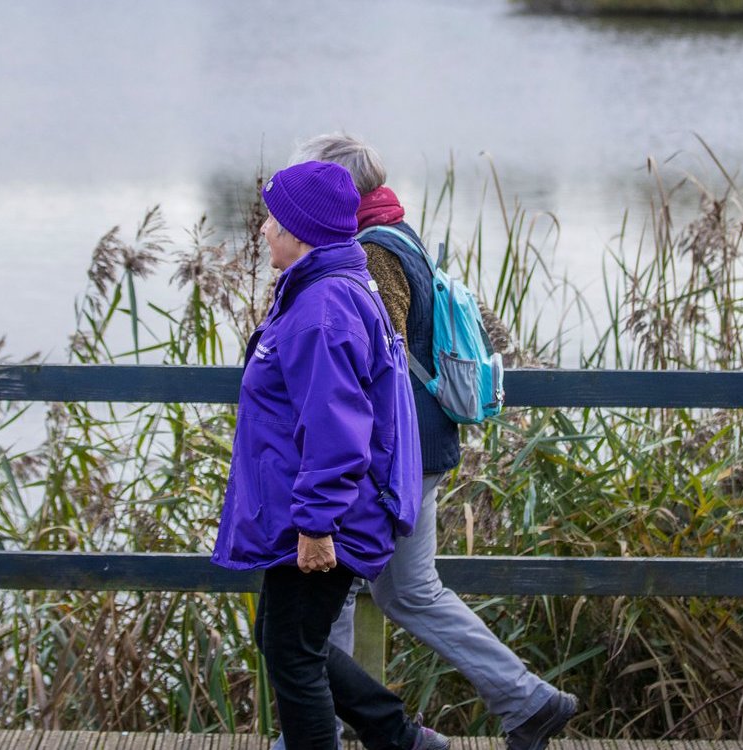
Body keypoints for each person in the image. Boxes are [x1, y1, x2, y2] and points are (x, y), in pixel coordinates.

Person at [288, 133, 578, 749]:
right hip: (420, 446)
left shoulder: (371, 250)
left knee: (330, 600)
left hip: (386, 456)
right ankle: (527, 701)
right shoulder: (395, 229)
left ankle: (317, 738)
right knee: (410, 592)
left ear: (337, 191)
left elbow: (367, 358)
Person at [212, 160, 444, 750]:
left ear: (300, 230)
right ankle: (401, 738)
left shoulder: (322, 309)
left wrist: (316, 526)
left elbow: (337, 431)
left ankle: (399, 739)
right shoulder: (329, 289)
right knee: (286, 637)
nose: (264, 229)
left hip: (327, 516)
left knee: (293, 651)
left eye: (273, 218)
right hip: (319, 506)